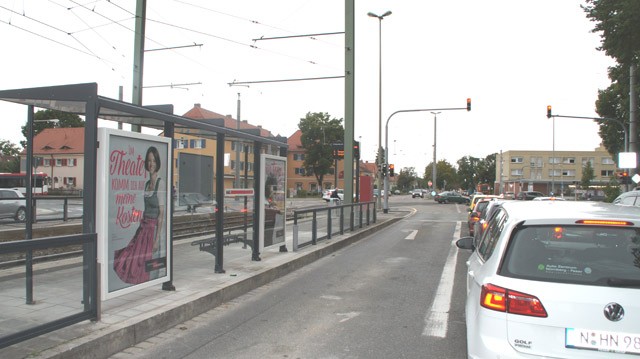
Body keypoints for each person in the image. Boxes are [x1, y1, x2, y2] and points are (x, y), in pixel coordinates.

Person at [113, 146, 165, 284]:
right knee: (135, 258)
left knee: (147, 260)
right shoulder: (147, 184)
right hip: (143, 227)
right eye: (149, 160)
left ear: (157, 162)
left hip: (153, 229)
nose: (151, 164)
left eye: (153, 160)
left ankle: (150, 281)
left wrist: (157, 238)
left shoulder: (161, 184)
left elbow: (161, 214)